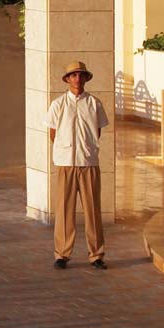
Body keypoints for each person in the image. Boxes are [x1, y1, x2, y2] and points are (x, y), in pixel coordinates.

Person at [44, 60, 109, 270]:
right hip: (65, 163)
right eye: (73, 75)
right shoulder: (58, 104)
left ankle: (96, 254)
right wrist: (66, 149)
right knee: (64, 210)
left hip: (88, 162)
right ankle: (62, 253)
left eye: (81, 75)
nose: (77, 79)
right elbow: (53, 133)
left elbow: (97, 131)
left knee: (92, 210)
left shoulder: (94, 103)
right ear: (67, 79)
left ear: (85, 78)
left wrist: (86, 148)